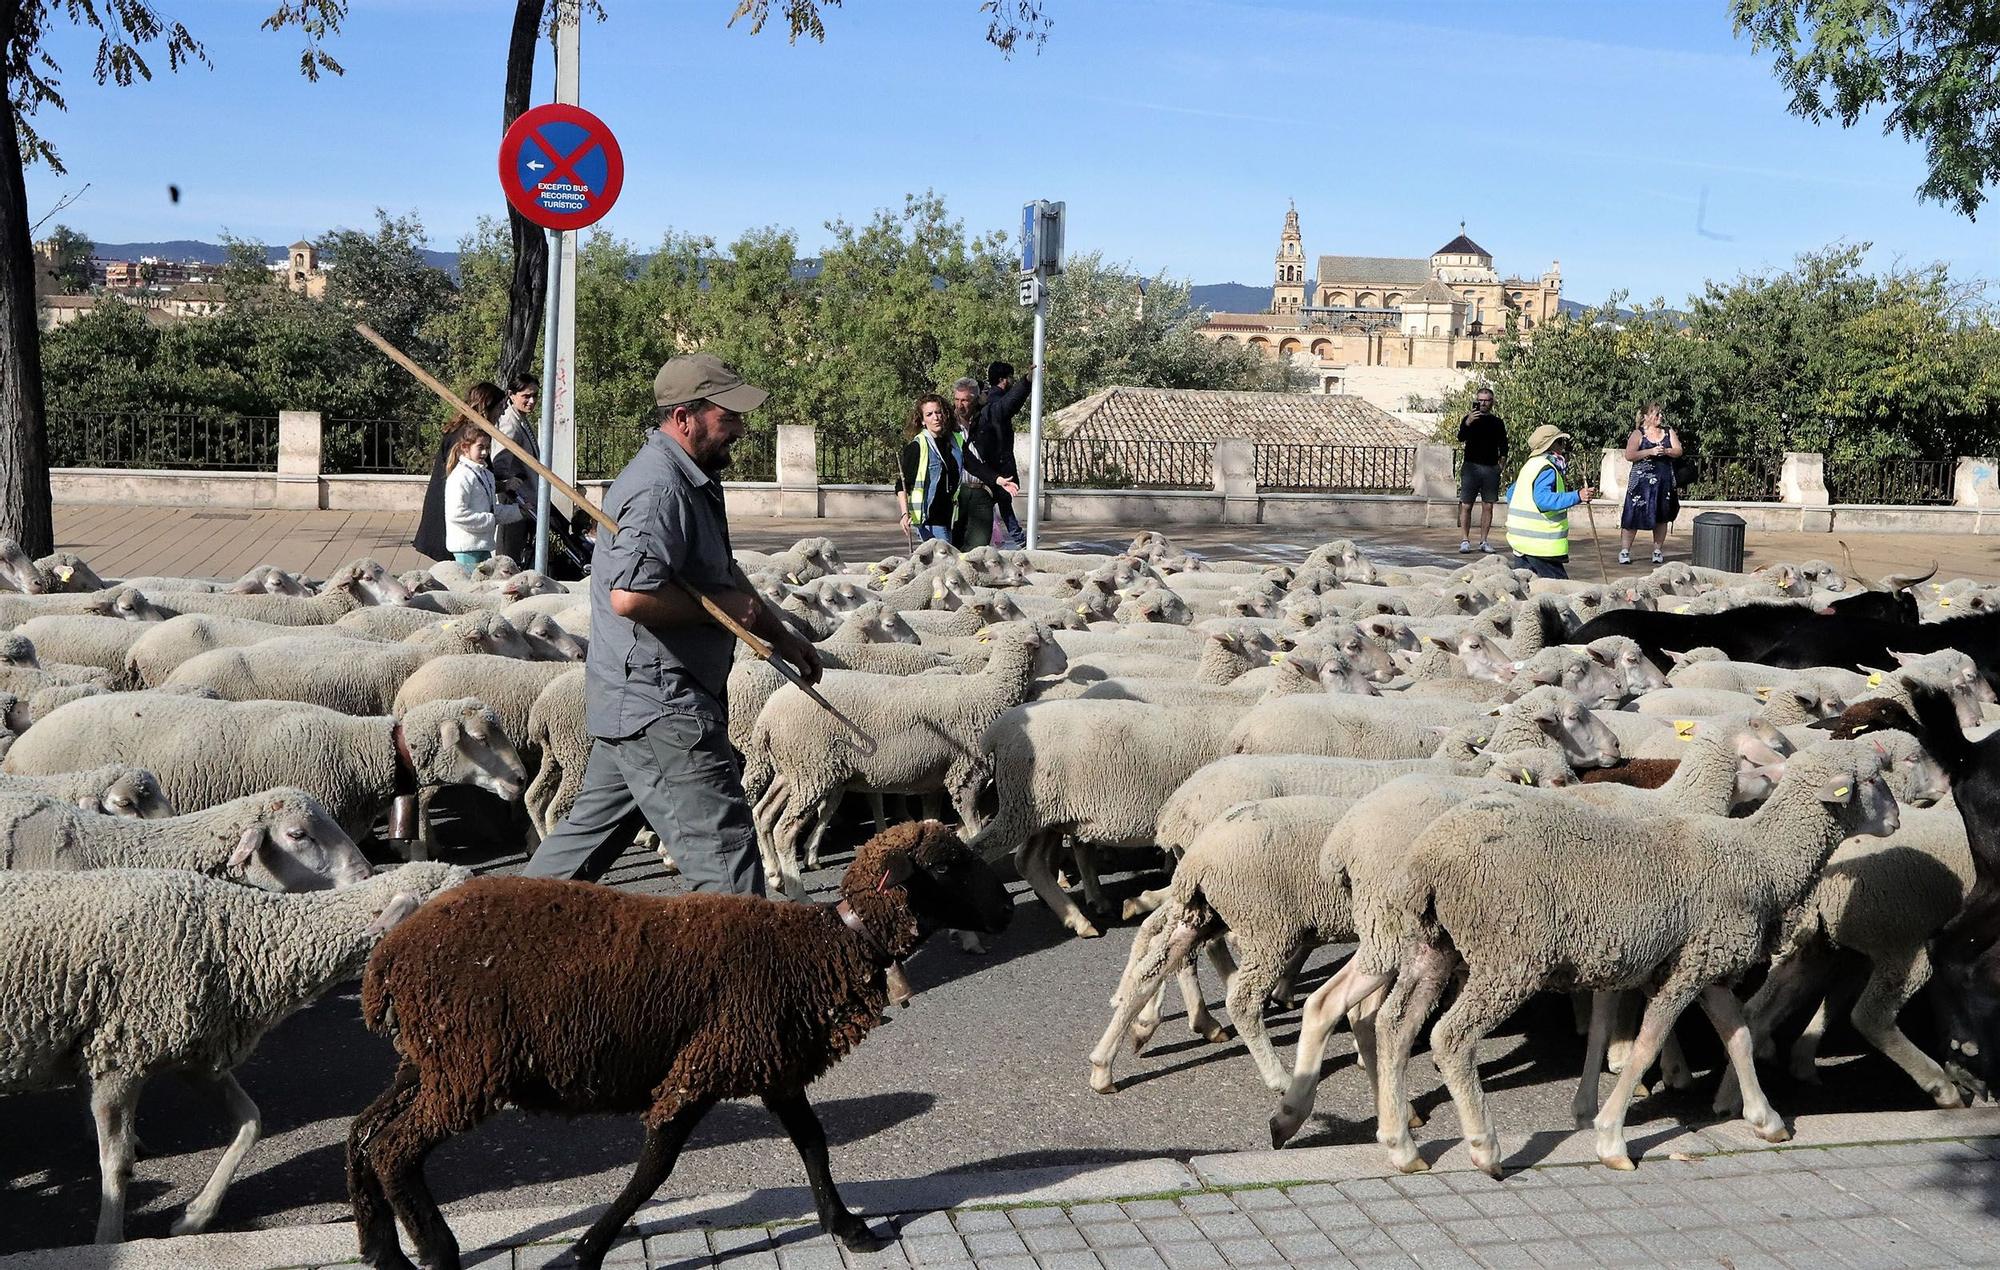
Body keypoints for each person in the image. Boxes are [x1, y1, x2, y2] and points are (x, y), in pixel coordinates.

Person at [521, 354, 821, 894]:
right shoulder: (660, 489)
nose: (739, 428)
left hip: (640, 701)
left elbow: (723, 576)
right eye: (727, 415)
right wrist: (725, 610)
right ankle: (749, 976)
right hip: (663, 706)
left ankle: (482, 940)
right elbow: (631, 596)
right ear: (684, 417)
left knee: (579, 852)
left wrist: (781, 636)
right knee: (728, 869)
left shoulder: (694, 479)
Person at [413, 381, 506, 562]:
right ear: (487, 406)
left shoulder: (472, 435)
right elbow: (467, 480)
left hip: (459, 522)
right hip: (454, 523)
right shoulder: (465, 438)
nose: (502, 412)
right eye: (500, 407)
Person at [1503, 424, 1597, 580]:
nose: (1563, 446)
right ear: (1552, 445)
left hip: (1521, 542)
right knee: (1560, 592)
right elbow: (1543, 501)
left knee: (1524, 589)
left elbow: (1511, 494)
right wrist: (1577, 496)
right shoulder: (1547, 468)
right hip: (1541, 545)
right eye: (1561, 442)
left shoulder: (1530, 465)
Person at [950, 375, 1022, 551]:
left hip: (982, 492)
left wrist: (1027, 381)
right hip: (956, 496)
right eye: (957, 400)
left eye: (965, 400)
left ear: (974, 400)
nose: (960, 405)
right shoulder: (949, 425)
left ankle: (1019, 538)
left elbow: (1010, 403)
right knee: (952, 548)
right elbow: (967, 460)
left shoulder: (986, 416)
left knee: (977, 549)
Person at [442, 422, 523, 570]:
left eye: (487, 448)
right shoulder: (460, 476)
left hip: (483, 545)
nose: (485, 453)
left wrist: (518, 511)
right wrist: (490, 520)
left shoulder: (486, 474)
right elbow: (457, 514)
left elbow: (492, 509)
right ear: (465, 448)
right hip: (466, 548)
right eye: (480, 447)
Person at [973, 362, 1032, 548]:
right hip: (992, 468)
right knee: (994, 503)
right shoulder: (994, 403)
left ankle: (1017, 537)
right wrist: (1027, 382)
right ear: (1003, 380)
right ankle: (1011, 538)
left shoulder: (992, 401)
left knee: (1003, 502)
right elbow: (1009, 405)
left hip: (995, 468)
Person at [1619, 401, 1682, 566]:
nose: (1660, 417)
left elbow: (1678, 450)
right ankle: (1625, 551)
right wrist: (1650, 451)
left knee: (1662, 516)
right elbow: (1629, 455)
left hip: (1664, 481)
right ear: (1646, 416)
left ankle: (1657, 551)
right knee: (1632, 515)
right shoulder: (1638, 434)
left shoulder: (1668, 432)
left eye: (1660, 414)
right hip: (1640, 483)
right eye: (1656, 414)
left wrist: (1667, 451)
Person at [491, 374, 541, 564]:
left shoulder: (520, 418)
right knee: (508, 554)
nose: (531, 401)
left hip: (526, 496)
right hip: (514, 497)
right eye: (526, 396)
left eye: (535, 396)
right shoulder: (510, 424)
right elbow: (500, 464)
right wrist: (509, 484)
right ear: (512, 395)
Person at [1456, 386, 1507, 553]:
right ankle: (1465, 540)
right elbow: (1460, 438)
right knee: (1466, 505)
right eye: (1480, 400)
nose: (1483, 403)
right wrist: (1468, 422)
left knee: (1488, 506)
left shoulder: (1497, 422)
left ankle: (1484, 541)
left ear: (1492, 402)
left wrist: (1502, 464)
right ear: (1476, 401)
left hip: (1491, 468)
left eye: (1486, 400)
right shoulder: (1469, 419)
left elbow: (1504, 445)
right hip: (1471, 466)